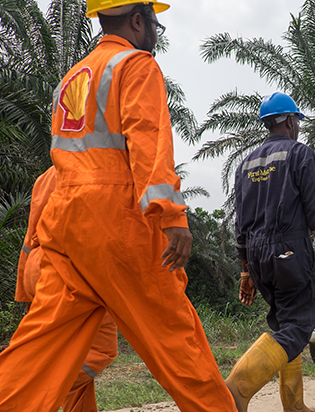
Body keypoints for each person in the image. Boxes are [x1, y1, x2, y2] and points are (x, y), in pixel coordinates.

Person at [0, 2, 237, 410]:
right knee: (177, 343)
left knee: (37, 352)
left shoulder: (72, 78)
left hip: (65, 226)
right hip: (118, 221)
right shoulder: (136, 65)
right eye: (155, 23)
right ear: (137, 20)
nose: (156, 33)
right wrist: (172, 215)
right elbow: (149, 142)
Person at [228, 92, 315, 412]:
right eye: (298, 122)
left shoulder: (245, 164)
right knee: (298, 327)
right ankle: (239, 386)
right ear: (291, 122)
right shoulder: (300, 154)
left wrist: (245, 269)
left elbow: (241, 222)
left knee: (285, 326)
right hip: (290, 252)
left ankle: (294, 406)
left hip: (258, 257)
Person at [14, 167, 118, 412]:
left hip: (38, 266)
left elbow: (31, 234)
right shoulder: (97, 169)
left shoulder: (47, 176)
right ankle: (27, 388)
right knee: (101, 350)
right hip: (71, 270)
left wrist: (25, 286)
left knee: (76, 348)